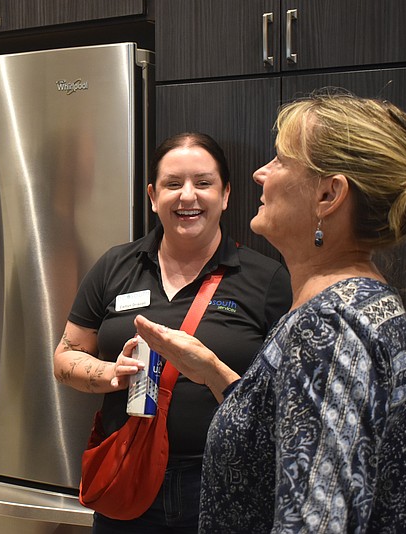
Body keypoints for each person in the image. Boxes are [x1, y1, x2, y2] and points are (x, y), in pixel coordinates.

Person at [134, 92, 406, 532]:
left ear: (328, 195)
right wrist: (214, 372)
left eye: (279, 160)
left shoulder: (329, 327)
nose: (260, 172)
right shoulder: (367, 302)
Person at [53, 132, 292, 533]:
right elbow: (65, 355)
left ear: (226, 193)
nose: (187, 197)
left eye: (203, 183)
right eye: (172, 184)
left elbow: (286, 395)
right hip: (126, 472)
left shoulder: (266, 279)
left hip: (222, 480)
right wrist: (112, 374)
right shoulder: (115, 265)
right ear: (152, 195)